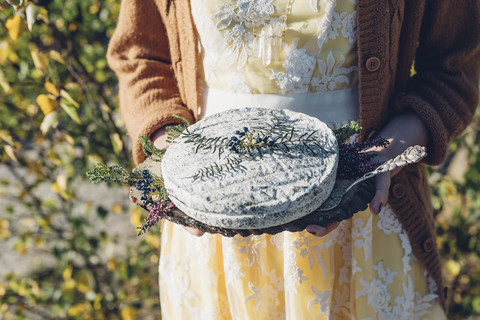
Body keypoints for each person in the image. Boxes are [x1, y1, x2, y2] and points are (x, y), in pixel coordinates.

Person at [107, 0, 480, 318]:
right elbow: (140, 57)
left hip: (366, 226)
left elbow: (456, 68)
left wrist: (387, 153)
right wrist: (175, 156)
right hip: (214, 242)